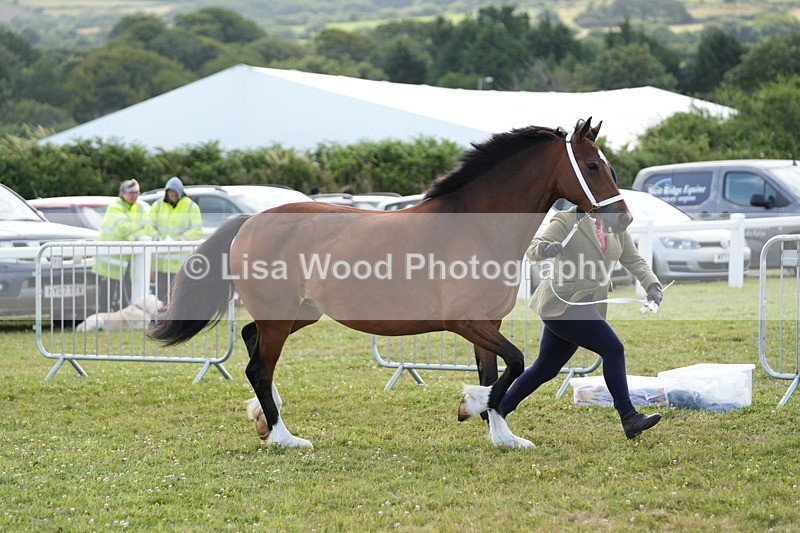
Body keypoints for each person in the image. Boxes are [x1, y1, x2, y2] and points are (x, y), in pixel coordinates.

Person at [499, 205, 665, 439]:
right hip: (562, 304)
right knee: (613, 349)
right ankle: (629, 417)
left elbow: (633, 259)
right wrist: (548, 248)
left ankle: (497, 409)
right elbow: (533, 249)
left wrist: (652, 285)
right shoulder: (567, 220)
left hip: (589, 305)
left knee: (545, 369)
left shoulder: (615, 224)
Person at [92, 179, 151, 312]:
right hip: (108, 260)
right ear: (122, 193)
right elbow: (121, 228)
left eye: (136, 192)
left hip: (125, 261)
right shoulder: (115, 207)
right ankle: (104, 320)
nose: (134, 195)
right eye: (131, 193)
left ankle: (123, 322)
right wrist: (139, 226)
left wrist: (131, 234)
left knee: (126, 295)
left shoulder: (140, 208)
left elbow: (148, 228)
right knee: (107, 296)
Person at [148, 177, 202, 304]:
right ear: (166, 193)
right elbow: (148, 225)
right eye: (170, 193)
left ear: (180, 192)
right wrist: (159, 238)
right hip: (160, 263)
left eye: (175, 193)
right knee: (161, 297)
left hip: (179, 265)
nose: (173, 196)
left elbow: (196, 231)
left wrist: (177, 240)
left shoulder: (191, 207)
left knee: (177, 296)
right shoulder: (157, 205)